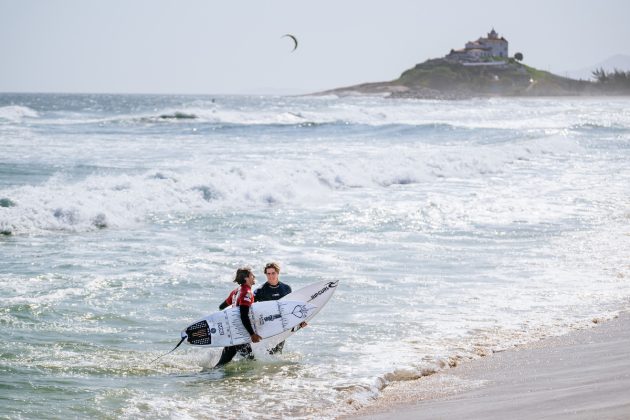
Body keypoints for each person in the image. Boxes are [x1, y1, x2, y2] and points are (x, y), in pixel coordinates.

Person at [254, 262, 306, 354]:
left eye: (273, 273)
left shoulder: (286, 288)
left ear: (277, 273)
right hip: (267, 325)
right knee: (267, 352)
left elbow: (291, 308)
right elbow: (250, 308)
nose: (271, 276)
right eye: (268, 274)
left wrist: (300, 321)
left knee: (278, 352)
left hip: (282, 325)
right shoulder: (260, 290)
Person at [214, 267, 262, 367]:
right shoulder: (247, 293)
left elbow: (221, 307)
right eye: (252, 275)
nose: (254, 277)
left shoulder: (236, 292)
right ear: (246, 278)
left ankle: (209, 376)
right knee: (251, 363)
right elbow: (243, 315)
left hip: (233, 333)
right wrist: (252, 334)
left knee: (222, 364)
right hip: (240, 334)